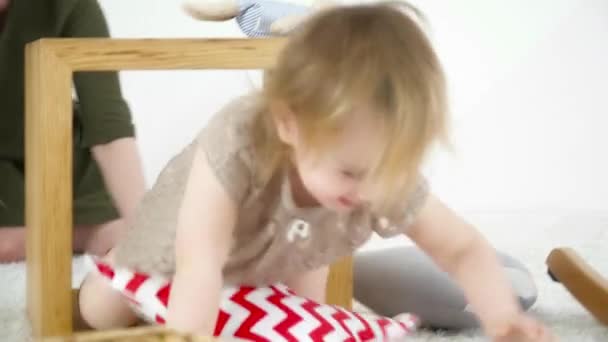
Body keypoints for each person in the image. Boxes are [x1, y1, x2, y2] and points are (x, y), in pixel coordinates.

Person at [78, 3, 554, 341]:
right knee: (101, 312)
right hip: (178, 253)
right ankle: (118, 270)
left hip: (280, 252)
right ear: (289, 124)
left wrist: (502, 319)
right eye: (351, 171)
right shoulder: (234, 144)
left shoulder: (375, 173)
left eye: (387, 170)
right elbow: (199, 264)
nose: (371, 190)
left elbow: (462, 248)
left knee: (310, 278)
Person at [0, 0, 146, 262]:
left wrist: (144, 226)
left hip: (62, 166)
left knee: (131, 233)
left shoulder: (71, 5)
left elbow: (107, 122)